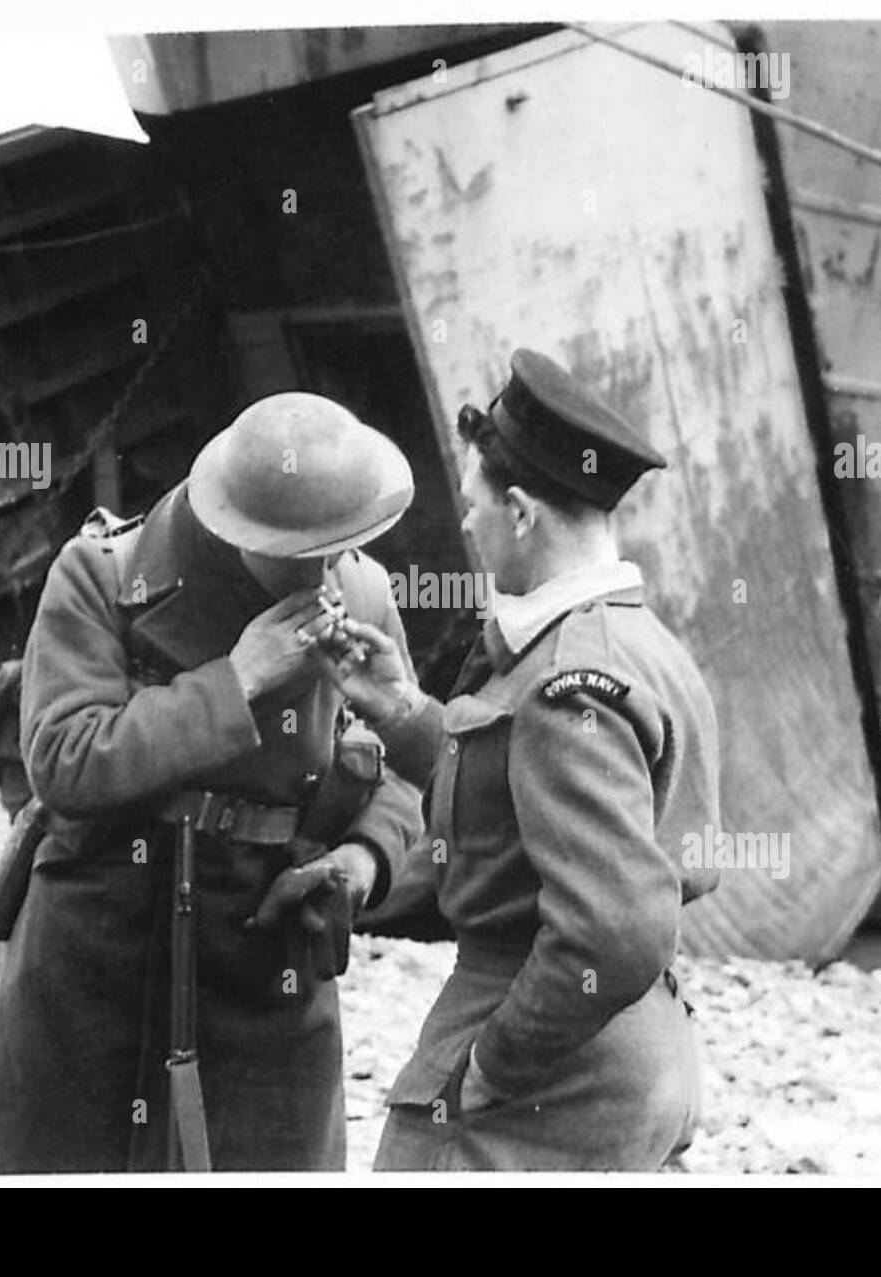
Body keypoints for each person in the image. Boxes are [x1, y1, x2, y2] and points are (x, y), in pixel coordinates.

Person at [0, 393, 424, 1173]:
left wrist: (367, 857)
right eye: (302, 551)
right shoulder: (105, 575)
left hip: (267, 935)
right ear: (239, 526)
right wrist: (234, 681)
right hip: (101, 932)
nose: (323, 570)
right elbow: (63, 757)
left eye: (340, 547)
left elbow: (404, 757)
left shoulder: (364, 591)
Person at [316, 349, 722, 1172]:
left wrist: (495, 1064)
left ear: (523, 513)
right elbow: (518, 804)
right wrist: (398, 709)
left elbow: (615, 928)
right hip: (636, 1052)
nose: (465, 523)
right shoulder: (640, 644)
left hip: (549, 1067)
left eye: (473, 505)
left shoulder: (567, 680)